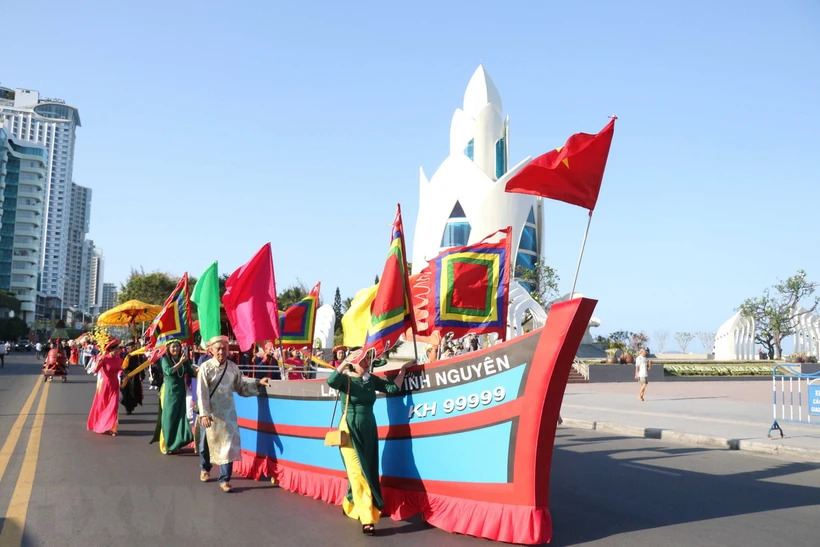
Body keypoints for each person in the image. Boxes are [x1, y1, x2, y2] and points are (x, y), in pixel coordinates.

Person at [326, 349, 413, 535]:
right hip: (349, 430)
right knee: (357, 472)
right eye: (362, 359)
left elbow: (391, 388)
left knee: (368, 468)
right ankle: (367, 518)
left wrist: (403, 371)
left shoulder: (370, 379)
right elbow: (331, 380)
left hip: (369, 430)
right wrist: (346, 361)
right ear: (353, 362)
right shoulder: (346, 379)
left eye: (367, 359)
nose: (366, 362)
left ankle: (349, 503)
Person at [197, 335, 271, 492]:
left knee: (228, 446)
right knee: (205, 444)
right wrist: (204, 414)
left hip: (228, 413)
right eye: (218, 349)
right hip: (210, 413)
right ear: (211, 350)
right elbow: (201, 392)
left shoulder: (232, 367)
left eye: (224, 348)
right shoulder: (206, 368)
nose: (221, 352)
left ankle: (224, 479)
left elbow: (241, 386)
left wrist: (258, 383)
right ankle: (205, 468)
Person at [151, 340, 195, 454]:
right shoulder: (165, 359)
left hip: (180, 391)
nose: (176, 349)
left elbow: (190, 372)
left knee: (180, 416)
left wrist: (201, 370)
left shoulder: (183, 358)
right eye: (173, 347)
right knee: (169, 416)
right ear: (168, 349)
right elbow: (169, 371)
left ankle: (177, 443)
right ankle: (168, 444)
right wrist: (181, 362)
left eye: (177, 347)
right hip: (169, 391)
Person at [87, 339, 124, 436]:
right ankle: (101, 424)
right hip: (105, 385)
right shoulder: (104, 358)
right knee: (103, 405)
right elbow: (95, 371)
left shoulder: (118, 359)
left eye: (118, 349)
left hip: (115, 384)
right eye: (115, 349)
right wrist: (98, 362)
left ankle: (113, 428)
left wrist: (123, 374)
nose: (117, 351)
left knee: (114, 406)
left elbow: (120, 369)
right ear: (110, 350)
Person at [120, 340, 144, 415]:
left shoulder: (138, 355)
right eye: (131, 347)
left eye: (133, 346)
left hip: (135, 376)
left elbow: (141, 366)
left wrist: (142, 375)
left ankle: (131, 406)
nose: (133, 348)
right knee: (126, 392)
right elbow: (121, 366)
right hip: (126, 375)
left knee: (134, 392)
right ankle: (128, 407)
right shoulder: (125, 355)